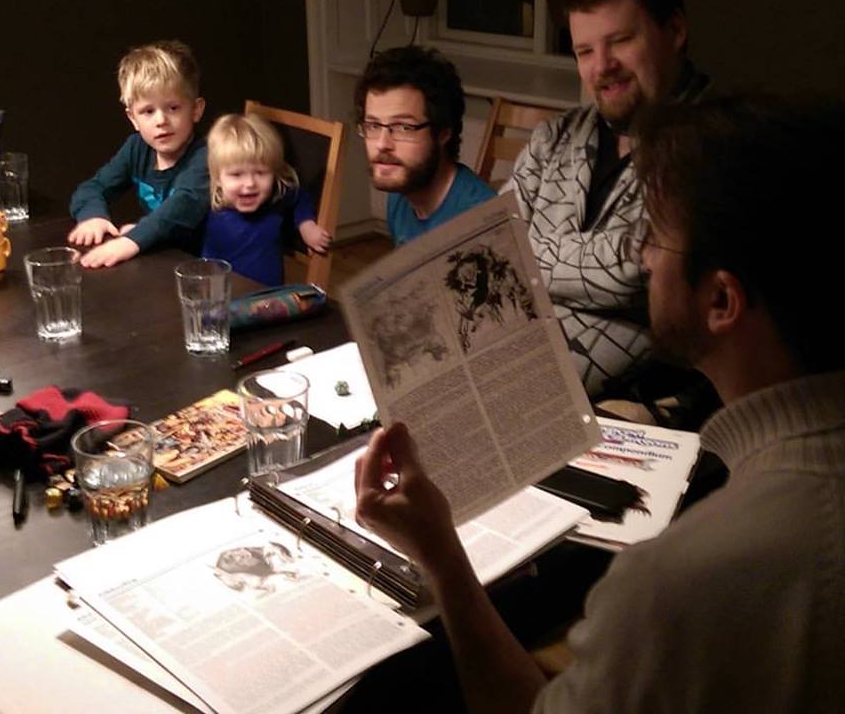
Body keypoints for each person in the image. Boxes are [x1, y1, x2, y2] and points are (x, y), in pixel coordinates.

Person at [355, 94, 845, 714]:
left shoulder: (672, 580)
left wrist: (442, 560)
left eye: (655, 237)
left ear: (721, 302)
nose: (641, 256)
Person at [502, 0, 710, 399]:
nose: (601, 67)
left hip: (633, 411)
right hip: (507, 373)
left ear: (675, 31)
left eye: (620, 41)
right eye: (584, 52)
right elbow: (492, 250)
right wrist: (615, 259)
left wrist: (526, 255)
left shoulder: (717, 142)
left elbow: (643, 272)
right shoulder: (553, 138)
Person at [68, 40, 209, 268]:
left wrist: (133, 239)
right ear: (133, 118)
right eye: (148, 111)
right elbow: (92, 188)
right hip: (160, 262)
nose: (161, 120)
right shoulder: (137, 148)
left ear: (196, 109)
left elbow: (184, 205)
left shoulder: (206, 155)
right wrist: (93, 216)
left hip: (199, 268)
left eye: (173, 108)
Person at [354, 46, 494, 246]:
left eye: (404, 127)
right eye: (374, 126)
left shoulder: (481, 222)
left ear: (443, 133)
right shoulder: (399, 195)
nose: (382, 144)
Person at [202, 112, 331, 286]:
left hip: (270, 297)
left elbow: (298, 196)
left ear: (274, 172)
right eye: (237, 174)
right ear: (217, 178)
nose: (250, 183)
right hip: (227, 297)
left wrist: (306, 224)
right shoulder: (210, 211)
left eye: (260, 173)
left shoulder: (276, 198)